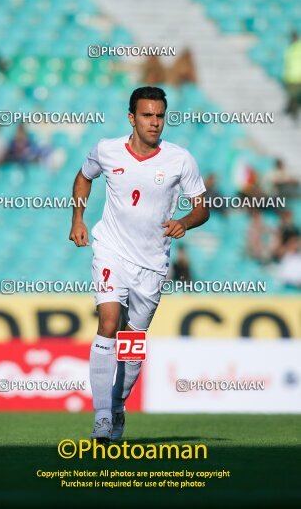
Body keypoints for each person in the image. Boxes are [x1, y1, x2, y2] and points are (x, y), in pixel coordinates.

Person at [69, 86, 209, 442]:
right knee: (109, 321)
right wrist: (78, 219)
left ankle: (117, 406)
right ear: (131, 118)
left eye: (160, 116)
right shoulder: (106, 149)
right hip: (111, 250)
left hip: (151, 264)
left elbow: (201, 206)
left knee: (133, 343)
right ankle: (101, 417)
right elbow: (84, 175)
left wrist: (186, 222)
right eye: (147, 115)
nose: (154, 123)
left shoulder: (180, 159)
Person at [284, 32, 301, 120]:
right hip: (291, 78)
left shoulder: (298, 48)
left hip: (298, 77)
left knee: (295, 97)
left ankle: (288, 110)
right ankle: (293, 113)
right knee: (293, 97)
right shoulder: (289, 48)